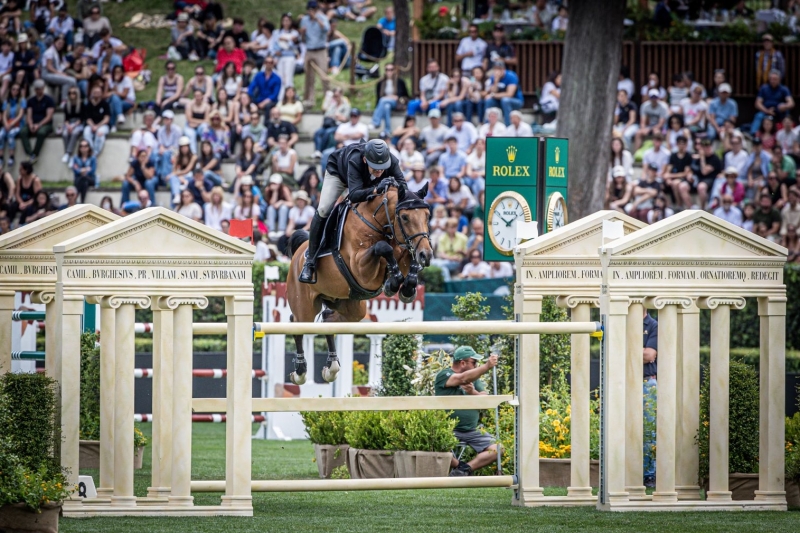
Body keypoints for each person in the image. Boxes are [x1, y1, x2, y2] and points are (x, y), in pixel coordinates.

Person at [299, 139, 406, 283]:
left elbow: (403, 189)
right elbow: (355, 194)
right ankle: (310, 262)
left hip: (366, 181)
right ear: (365, 159)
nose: (380, 171)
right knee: (324, 209)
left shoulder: (391, 161)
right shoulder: (355, 160)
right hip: (339, 173)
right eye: (375, 167)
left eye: (382, 167)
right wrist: (376, 189)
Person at [434, 345, 500, 477]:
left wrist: (472, 392)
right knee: (434, 448)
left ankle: (465, 469)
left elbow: (485, 400)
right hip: (449, 429)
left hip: (472, 430)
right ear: (462, 363)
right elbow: (461, 378)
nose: (476, 365)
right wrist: (487, 366)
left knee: (498, 449)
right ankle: (459, 465)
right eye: (474, 362)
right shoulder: (444, 375)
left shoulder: (474, 379)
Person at [300, 1, 330, 107]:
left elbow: (326, 29)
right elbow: (302, 39)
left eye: (313, 9)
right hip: (309, 50)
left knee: (324, 75)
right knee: (309, 77)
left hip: (320, 50)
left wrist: (317, 19)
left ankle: (328, 99)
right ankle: (309, 100)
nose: (310, 11)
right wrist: (302, 33)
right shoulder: (304, 20)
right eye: (309, 9)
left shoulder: (323, 18)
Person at [642, 309, 658, 488]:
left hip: (647, 384)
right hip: (623, 380)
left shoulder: (653, 325)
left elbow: (649, 355)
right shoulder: (620, 319)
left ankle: (649, 476)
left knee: (648, 431)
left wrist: (624, 349)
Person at [20, 79, 54, 163]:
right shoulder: (31, 101)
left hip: (46, 124)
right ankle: (30, 154)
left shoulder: (49, 100)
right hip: (33, 123)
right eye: (37, 89)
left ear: (43, 88)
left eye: (41, 88)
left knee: (41, 133)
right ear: (35, 89)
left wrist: (39, 125)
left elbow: (49, 117)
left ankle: (35, 153)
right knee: (23, 131)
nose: (39, 90)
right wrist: (31, 124)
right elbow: (29, 115)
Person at [751, 69, 794, 135]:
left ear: (779, 79)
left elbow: (791, 103)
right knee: (758, 116)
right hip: (766, 111)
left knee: (787, 117)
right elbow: (757, 103)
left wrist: (785, 106)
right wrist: (766, 111)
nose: (773, 81)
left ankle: (787, 135)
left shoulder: (784, 89)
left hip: (780, 112)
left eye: (775, 79)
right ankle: (753, 135)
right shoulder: (764, 88)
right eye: (771, 79)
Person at [370, 64, 407, 135]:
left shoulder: (400, 82)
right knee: (386, 106)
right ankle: (387, 130)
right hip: (384, 104)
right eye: (387, 70)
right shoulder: (380, 83)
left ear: (394, 71)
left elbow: (405, 95)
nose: (389, 72)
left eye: (391, 69)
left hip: (396, 103)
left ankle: (376, 122)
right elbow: (378, 98)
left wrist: (396, 97)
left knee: (383, 100)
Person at [663, 135, 694, 209]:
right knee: (670, 183)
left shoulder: (688, 156)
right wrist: (668, 179)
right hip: (675, 178)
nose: (681, 145)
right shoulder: (673, 156)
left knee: (676, 183)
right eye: (680, 143)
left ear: (686, 145)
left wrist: (671, 176)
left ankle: (680, 205)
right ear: (677, 144)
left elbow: (685, 173)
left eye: (683, 143)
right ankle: (678, 205)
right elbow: (668, 171)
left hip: (684, 179)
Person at [693, 139, 723, 211]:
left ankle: (702, 209)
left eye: (709, 147)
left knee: (701, 187)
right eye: (705, 147)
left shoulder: (714, 158)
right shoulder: (698, 157)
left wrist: (702, 158)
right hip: (698, 178)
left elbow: (704, 172)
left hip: (711, 180)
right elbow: (692, 168)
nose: (707, 149)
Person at [274, 14, 300, 96]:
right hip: (280, 57)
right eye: (284, 21)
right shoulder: (277, 32)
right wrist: (275, 53)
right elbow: (273, 44)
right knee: (280, 78)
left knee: (288, 78)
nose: (286, 23)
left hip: (290, 57)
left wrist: (287, 39)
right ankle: (280, 97)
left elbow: (294, 46)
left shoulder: (294, 33)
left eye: (288, 21)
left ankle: (290, 96)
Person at [0, 82, 24, 168]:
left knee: (11, 134)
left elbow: (20, 115)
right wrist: (6, 124)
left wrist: (11, 125)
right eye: (13, 89)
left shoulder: (22, 101)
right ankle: (1, 157)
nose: (15, 91)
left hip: (17, 124)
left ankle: (11, 156)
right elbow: (4, 114)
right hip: (7, 123)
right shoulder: (7, 101)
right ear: (10, 90)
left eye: (17, 90)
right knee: (1, 134)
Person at [82, 85, 110, 158]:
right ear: (92, 93)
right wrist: (93, 126)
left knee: (100, 133)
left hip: (102, 125)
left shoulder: (105, 104)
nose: (96, 94)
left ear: (101, 93)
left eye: (98, 92)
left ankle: (96, 153)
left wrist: (97, 126)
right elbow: (88, 118)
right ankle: (90, 150)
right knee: (86, 132)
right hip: (91, 125)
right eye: (95, 92)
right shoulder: (88, 105)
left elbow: (106, 119)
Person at [107, 64, 135, 131]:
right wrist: (115, 83)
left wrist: (114, 91)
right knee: (113, 102)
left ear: (122, 72)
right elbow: (108, 93)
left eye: (119, 72)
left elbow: (124, 95)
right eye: (116, 72)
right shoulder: (111, 80)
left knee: (114, 99)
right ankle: (120, 116)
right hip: (116, 101)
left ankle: (112, 125)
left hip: (128, 101)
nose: (117, 74)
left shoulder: (127, 80)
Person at [60, 87, 85, 164]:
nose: (72, 95)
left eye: (74, 93)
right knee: (65, 134)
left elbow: (82, 118)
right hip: (69, 123)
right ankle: (69, 155)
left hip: (78, 123)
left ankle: (68, 153)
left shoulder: (81, 104)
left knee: (74, 133)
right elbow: (66, 119)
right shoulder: (67, 105)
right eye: (70, 93)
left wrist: (73, 126)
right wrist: (68, 126)